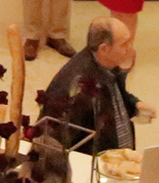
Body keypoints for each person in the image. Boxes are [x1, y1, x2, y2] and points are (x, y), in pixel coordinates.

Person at [43, 15, 142, 154]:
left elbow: (115, 98)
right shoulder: (80, 90)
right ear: (104, 49)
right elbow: (57, 144)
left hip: (114, 155)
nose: (131, 49)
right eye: (125, 44)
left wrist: (134, 105)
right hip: (95, 165)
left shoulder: (109, 64)